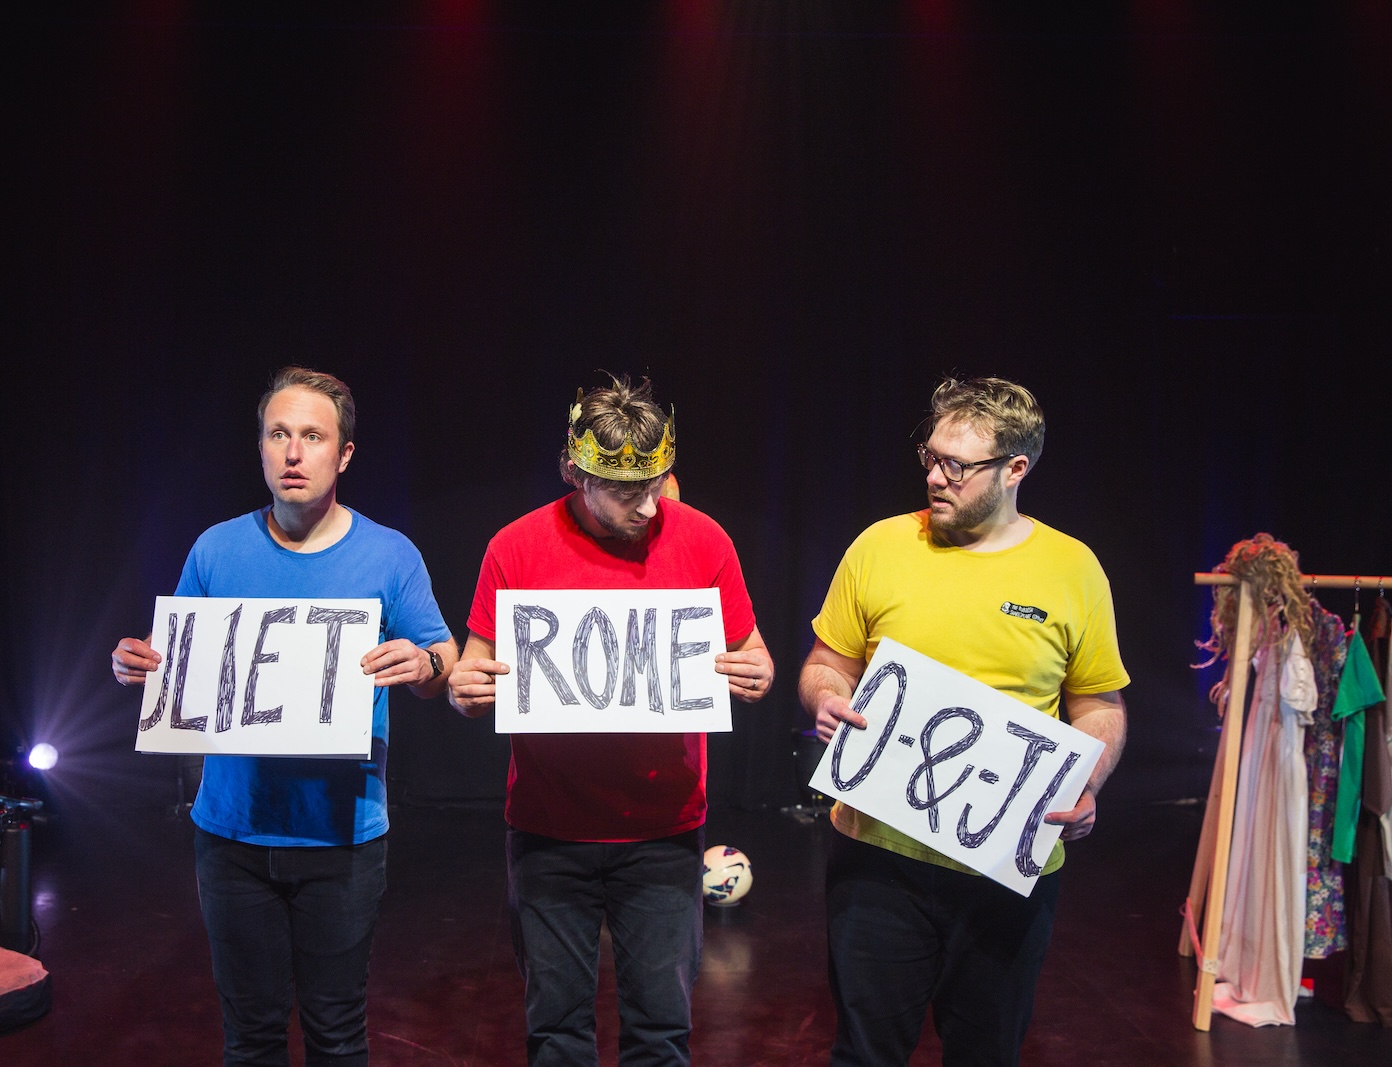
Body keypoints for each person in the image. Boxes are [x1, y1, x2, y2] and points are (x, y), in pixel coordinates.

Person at [110, 366, 457, 1067]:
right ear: (261, 447)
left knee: (336, 1034)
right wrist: (137, 663)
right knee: (251, 1038)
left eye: (313, 436)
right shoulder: (216, 548)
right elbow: (177, 657)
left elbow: (442, 658)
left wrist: (425, 666)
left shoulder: (390, 554)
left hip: (343, 839)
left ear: (345, 454)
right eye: (278, 434)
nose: (294, 453)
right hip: (231, 836)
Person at [798, 376, 1129, 1067]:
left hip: (1005, 868)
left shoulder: (1073, 569)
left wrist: (1087, 781)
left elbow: (1099, 705)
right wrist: (825, 696)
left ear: (1015, 468)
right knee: (864, 1053)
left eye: (956, 465)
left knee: (986, 1052)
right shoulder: (881, 545)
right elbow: (826, 663)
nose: (934, 476)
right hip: (877, 859)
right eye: (930, 456)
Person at [448, 377, 774, 1067]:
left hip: (665, 829)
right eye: (627, 492)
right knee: (556, 1031)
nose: (649, 505)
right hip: (548, 830)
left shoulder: (704, 539)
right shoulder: (515, 545)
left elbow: (754, 652)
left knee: (661, 1031)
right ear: (576, 474)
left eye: (655, 484)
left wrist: (756, 673)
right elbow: (473, 669)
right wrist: (466, 690)